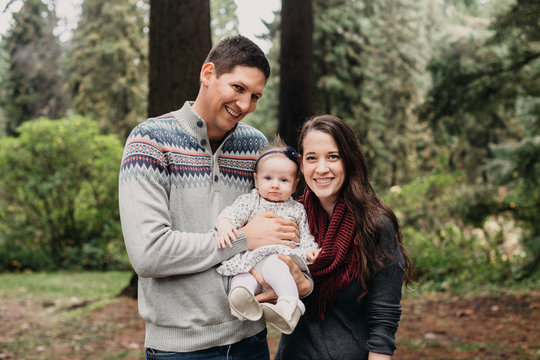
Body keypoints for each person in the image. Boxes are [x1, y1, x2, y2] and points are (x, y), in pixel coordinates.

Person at [119, 35, 312, 360]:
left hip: (250, 341)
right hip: (179, 349)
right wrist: (242, 240)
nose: (246, 105)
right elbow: (148, 254)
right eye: (238, 88)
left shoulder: (255, 147)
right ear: (208, 74)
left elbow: (283, 223)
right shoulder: (150, 141)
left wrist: (299, 274)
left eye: (255, 96)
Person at [271, 114, 412, 360]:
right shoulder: (290, 220)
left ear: (349, 161)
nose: (322, 168)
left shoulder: (375, 225)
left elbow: (383, 320)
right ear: (301, 165)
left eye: (333, 157)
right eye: (312, 158)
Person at [215, 140, 320, 335]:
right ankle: (241, 301)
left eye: (283, 180)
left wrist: (310, 250)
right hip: (251, 258)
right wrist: (225, 224)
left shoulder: (297, 209)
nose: (274, 185)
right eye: (268, 178)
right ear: (256, 180)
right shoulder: (250, 201)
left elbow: (305, 236)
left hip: (277, 256)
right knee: (242, 276)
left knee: (276, 265)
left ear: (295, 184)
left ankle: (289, 305)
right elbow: (231, 214)